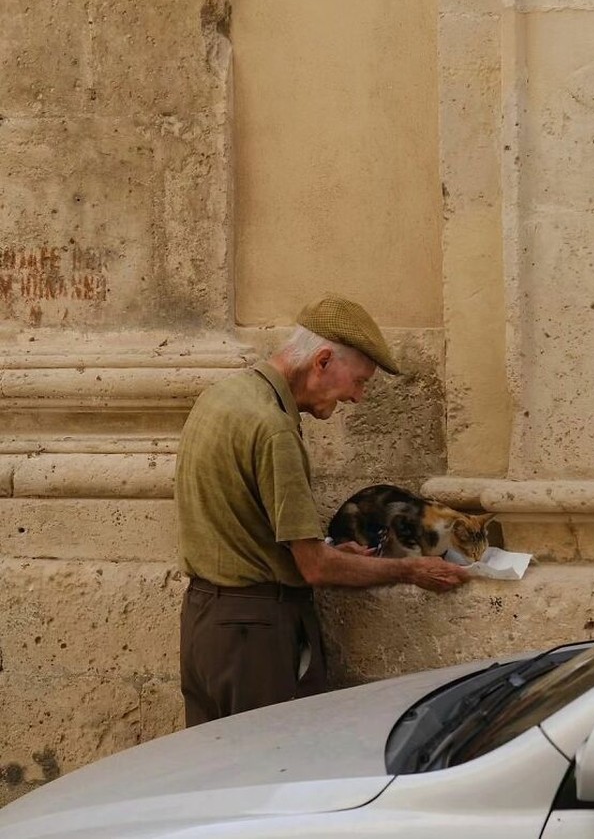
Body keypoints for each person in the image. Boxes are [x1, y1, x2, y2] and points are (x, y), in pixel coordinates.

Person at [175, 294, 469, 726]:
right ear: (323, 361)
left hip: (205, 623)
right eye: (360, 382)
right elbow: (313, 568)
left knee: (218, 784)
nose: (358, 398)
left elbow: (245, 528)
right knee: (272, 779)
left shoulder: (222, 397)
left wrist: (338, 553)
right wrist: (412, 571)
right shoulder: (274, 429)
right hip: (254, 635)